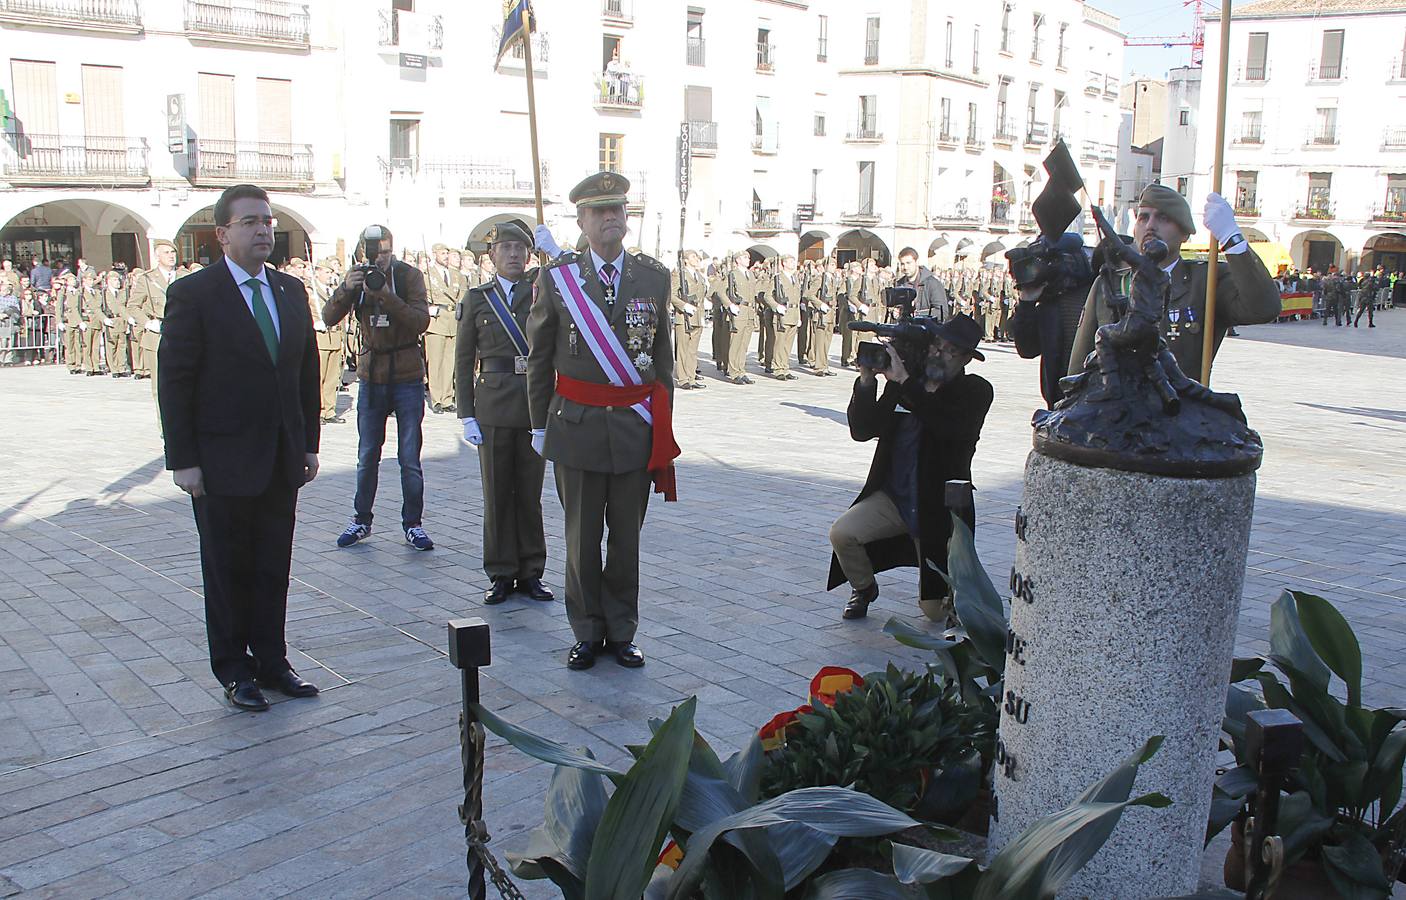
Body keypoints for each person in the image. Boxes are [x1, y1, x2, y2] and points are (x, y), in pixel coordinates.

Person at [157, 183, 322, 711]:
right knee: (227, 568)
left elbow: (303, 375)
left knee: (274, 563)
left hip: (279, 457)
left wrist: (308, 445)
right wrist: (183, 460)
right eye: (250, 222)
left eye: (268, 222)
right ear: (223, 234)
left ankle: (273, 661)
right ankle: (235, 670)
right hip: (222, 461)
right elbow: (175, 381)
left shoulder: (289, 291)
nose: (263, 230)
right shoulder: (195, 294)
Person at [525, 171, 678, 670]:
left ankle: (623, 629)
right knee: (581, 538)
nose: (611, 217)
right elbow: (539, 355)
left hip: (634, 429)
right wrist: (539, 425)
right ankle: (588, 630)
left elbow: (663, 361)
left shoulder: (653, 277)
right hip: (577, 428)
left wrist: (661, 428)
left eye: (618, 209)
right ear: (582, 220)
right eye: (599, 210)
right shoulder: (558, 277)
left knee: (627, 541)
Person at [827, 314, 993, 623]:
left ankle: (957, 596)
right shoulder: (907, 382)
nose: (938, 353)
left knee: (933, 612)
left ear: (967, 357)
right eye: (937, 345)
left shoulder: (974, 391)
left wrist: (906, 383)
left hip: (937, 509)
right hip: (894, 497)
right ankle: (864, 589)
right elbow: (863, 430)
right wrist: (867, 381)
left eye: (949, 350)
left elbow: (949, 430)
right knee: (842, 533)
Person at [1067, 186, 1281, 380]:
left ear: (1185, 234)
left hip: (1177, 413)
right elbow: (1078, 365)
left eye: (1163, 218)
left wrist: (1231, 237)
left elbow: (1263, 308)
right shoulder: (1110, 283)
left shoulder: (1205, 282)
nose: (1150, 226)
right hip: (1116, 415)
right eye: (1143, 218)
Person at [457, 221, 554, 607]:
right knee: (497, 493)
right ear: (492, 255)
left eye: (521, 248)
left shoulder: (542, 290)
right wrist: (466, 414)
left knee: (529, 494)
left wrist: (559, 254)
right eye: (506, 248)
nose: (514, 254)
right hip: (494, 406)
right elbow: (464, 361)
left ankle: (531, 570)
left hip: (534, 406)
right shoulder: (478, 298)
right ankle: (500, 571)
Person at [322, 225, 434, 551]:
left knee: (409, 457)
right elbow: (329, 317)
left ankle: (413, 524)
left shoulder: (408, 275)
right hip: (371, 377)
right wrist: (346, 288)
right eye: (374, 252)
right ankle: (361, 520)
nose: (380, 258)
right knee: (367, 454)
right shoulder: (356, 277)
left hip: (407, 375)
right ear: (363, 251)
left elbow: (420, 321)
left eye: (385, 251)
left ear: (393, 250)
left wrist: (384, 292)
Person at [130, 240, 179, 396]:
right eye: (166, 252)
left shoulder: (186, 276)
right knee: (160, 386)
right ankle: (162, 420)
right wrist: (147, 322)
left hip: (183, 333)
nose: (171, 256)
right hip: (157, 335)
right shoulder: (147, 279)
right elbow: (133, 306)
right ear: (157, 256)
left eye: (173, 252)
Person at [425, 242, 463, 414]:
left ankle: (447, 397)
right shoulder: (428, 275)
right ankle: (436, 398)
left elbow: (462, 295)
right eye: (442, 253)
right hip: (437, 320)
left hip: (452, 320)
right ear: (434, 254)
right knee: (436, 361)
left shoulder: (456, 275)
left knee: (449, 362)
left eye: (447, 253)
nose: (446, 256)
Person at [309, 258, 347, 423]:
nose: (329, 275)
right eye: (326, 271)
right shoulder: (310, 291)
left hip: (335, 336)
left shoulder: (333, 291)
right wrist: (313, 323)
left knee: (333, 376)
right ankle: (317, 410)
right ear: (317, 272)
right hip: (321, 336)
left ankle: (329, 410)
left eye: (331, 272)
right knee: (319, 375)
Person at [671, 249, 708, 390]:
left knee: (693, 350)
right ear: (686, 260)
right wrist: (684, 305)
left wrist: (702, 316)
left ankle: (691, 377)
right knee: (683, 349)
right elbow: (672, 295)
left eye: (697, 257)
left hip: (697, 316)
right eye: (693, 257)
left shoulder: (698, 275)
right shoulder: (679, 274)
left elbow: (702, 297)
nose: (697, 259)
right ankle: (683, 379)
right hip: (684, 316)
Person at [767, 255, 802, 379]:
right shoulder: (778, 278)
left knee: (788, 345)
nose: (793, 263)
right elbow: (768, 296)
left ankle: (785, 367)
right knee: (780, 343)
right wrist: (776, 306)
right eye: (790, 261)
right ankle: (778, 369)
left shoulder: (795, 278)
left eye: (794, 261)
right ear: (784, 263)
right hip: (782, 314)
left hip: (793, 313)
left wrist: (798, 317)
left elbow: (797, 299)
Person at [897, 247, 949, 321]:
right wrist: (895, 312)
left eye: (908, 263)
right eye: (902, 264)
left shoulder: (932, 283)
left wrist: (917, 315)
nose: (905, 267)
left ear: (917, 262)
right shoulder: (899, 284)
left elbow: (942, 312)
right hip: (903, 329)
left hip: (926, 330)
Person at [102, 270, 132, 377]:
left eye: (118, 279)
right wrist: (104, 319)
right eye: (115, 280)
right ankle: (114, 369)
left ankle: (122, 367)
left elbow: (126, 307)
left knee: (122, 346)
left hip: (121, 321)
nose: (117, 282)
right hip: (111, 321)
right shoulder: (104, 294)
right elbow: (100, 308)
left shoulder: (122, 293)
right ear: (109, 281)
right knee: (112, 346)